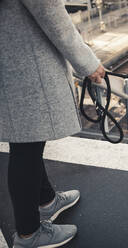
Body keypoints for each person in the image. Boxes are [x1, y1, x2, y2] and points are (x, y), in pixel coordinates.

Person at [0, 0, 105, 247]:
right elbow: (52, 16)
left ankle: (46, 201)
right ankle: (28, 233)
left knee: (29, 140)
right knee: (26, 148)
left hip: (11, 59)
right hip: (26, 64)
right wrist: (88, 63)